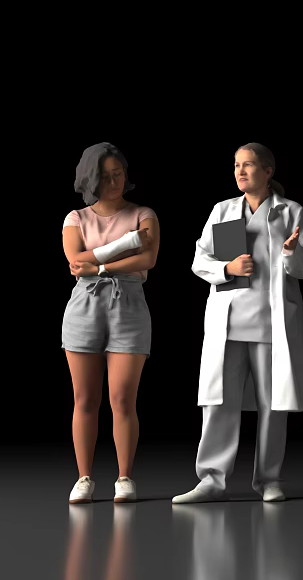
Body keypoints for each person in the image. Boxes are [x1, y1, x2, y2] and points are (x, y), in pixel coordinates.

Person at [173, 143, 303, 504]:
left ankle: (269, 479)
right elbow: (198, 260)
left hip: (272, 325)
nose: (240, 171)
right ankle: (211, 478)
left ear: (268, 171)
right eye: (236, 165)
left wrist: (289, 252)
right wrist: (227, 269)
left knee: (272, 405)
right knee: (219, 402)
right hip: (229, 321)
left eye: (248, 165)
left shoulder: (291, 212)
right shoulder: (222, 211)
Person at [62, 142, 160, 504]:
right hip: (84, 308)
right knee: (84, 398)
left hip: (129, 307)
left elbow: (147, 259)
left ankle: (124, 476)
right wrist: (128, 244)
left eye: (118, 173)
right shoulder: (76, 218)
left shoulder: (144, 212)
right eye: (105, 176)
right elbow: (76, 262)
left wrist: (100, 264)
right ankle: (84, 477)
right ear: (91, 179)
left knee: (122, 399)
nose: (114, 181)